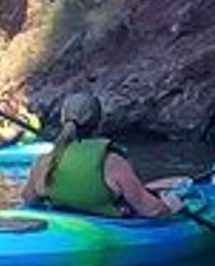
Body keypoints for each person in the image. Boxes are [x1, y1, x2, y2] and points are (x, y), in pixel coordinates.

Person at [23, 92, 182, 218]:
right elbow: (151, 210)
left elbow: (28, 200)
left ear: (62, 120)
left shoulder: (44, 161)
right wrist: (174, 206)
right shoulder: (112, 162)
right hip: (108, 232)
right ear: (99, 123)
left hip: (63, 227)